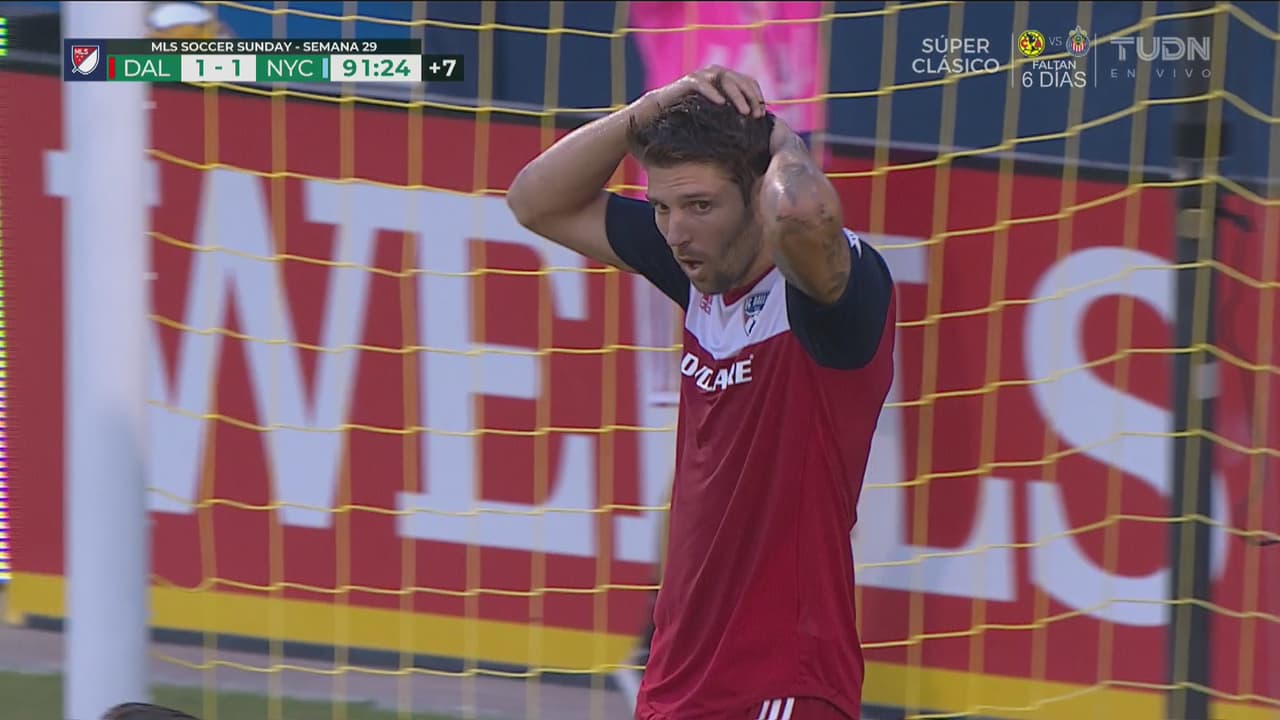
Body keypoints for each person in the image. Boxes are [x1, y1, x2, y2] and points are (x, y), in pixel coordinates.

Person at [506, 65, 896, 720]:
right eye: (662, 207)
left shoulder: (829, 297)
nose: (674, 232)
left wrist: (782, 142)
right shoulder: (702, 269)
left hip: (784, 683)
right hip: (679, 678)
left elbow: (800, 214)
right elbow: (533, 201)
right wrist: (651, 107)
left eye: (700, 206)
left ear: (757, 199)